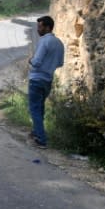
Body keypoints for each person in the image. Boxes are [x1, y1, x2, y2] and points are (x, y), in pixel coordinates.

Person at [27, 15, 65, 149]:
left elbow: (36, 62)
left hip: (37, 78)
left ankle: (41, 139)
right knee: (40, 108)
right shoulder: (59, 43)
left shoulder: (44, 41)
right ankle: (37, 132)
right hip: (48, 80)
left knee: (34, 109)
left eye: (40, 26)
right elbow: (60, 63)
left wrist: (30, 60)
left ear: (48, 27)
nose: (38, 29)